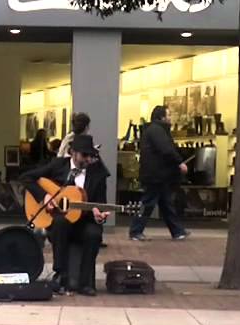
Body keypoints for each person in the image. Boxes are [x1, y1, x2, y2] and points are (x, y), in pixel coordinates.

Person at [20, 134, 110, 296]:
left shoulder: (98, 173)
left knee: (94, 233)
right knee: (61, 223)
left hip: (85, 221)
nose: (88, 159)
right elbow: (26, 178)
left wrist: (99, 215)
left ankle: (86, 283)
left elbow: (101, 204)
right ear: (73, 153)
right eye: (84, 155)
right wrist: (45, 196)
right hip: (60, 221)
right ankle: (61, 275)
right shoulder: (58, 166)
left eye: (91, 155)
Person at [129, 105, 189, 241]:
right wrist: (179, 162)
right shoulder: (158, 131)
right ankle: (135, 231)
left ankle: (177, 231)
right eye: (168, 115)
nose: (170, 118)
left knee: (166, 203)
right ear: (162, 117)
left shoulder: (153, 130)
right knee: (149, 203)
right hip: (156, 175)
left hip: (157, 174)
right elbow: (166, 149)